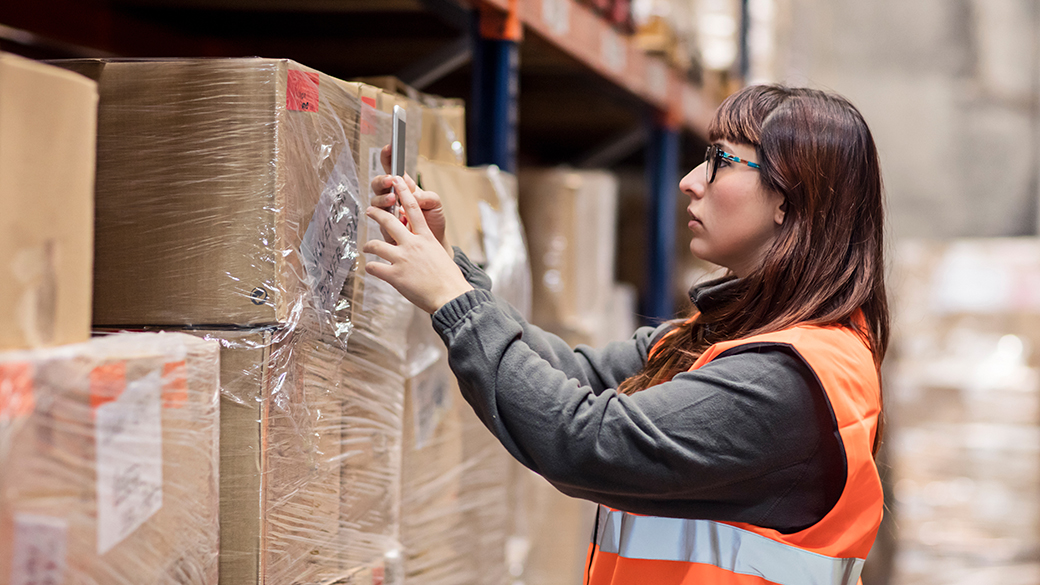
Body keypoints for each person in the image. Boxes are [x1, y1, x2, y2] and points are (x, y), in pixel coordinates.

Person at [363, 84, 887, 585]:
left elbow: (585, 441)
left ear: (788, 201)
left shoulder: (786, 379)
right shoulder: (722, 339)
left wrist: (456, 304)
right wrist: (453, 274)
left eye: (722, 161)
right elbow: (575, 374)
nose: (690, 180)